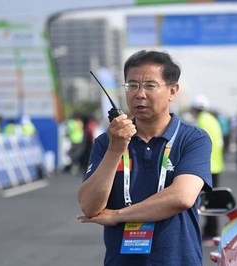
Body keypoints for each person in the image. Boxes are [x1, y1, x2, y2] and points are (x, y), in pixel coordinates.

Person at [77, 50, 212, 266]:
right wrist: (115, 150)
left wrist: (117, 215)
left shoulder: (192, 138)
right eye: (132, 85)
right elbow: (90, 207)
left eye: (150, 85)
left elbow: (182, 197)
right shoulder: (107, 141)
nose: (139, 94)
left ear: (172, 91)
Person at [190, 94, 225, 243]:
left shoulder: (201, 121)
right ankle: (211, 231)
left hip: (206, 166)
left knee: (205, 202)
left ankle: (210, 233)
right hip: (216, 165)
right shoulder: (212, 120)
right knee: (212, 200)